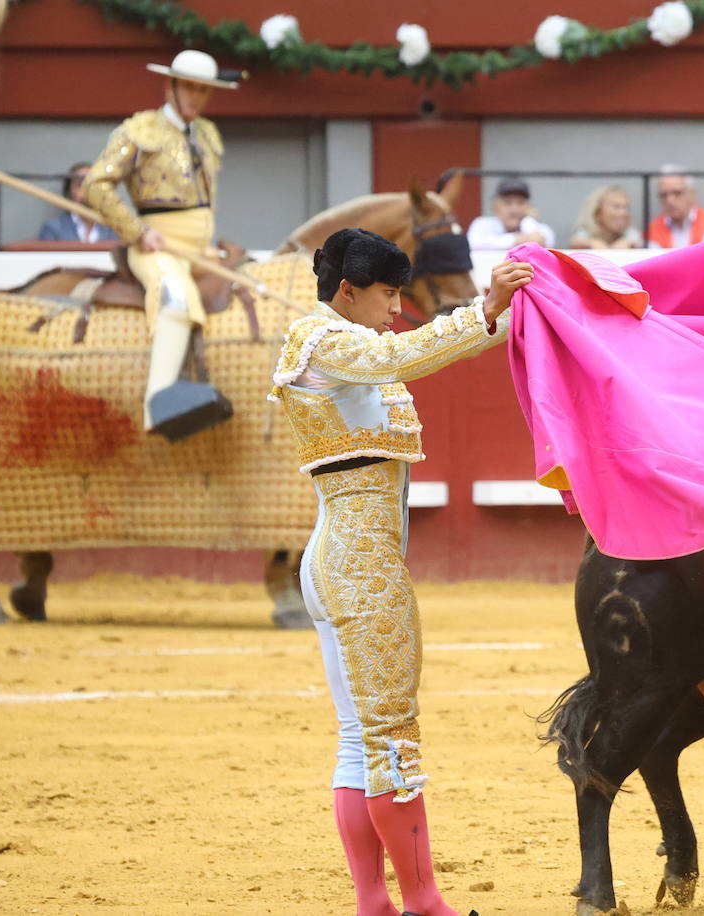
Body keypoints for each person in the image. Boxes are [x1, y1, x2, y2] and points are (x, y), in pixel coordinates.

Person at [270, 227, 533, 916]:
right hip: (360, 565)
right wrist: (483, 309)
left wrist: (512, 315)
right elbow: (402, 354)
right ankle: (425, 904)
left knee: (361, 741)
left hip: (348, 556)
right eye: (387, 293)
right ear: (347, 291)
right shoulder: (324, 339)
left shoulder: (341, 345)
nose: (396, 307)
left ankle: (376, 902)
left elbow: (408, 351)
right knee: (390, 736)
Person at [81, 49, 237, 437]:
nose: (196, 97)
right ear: (170, 85)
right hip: (157, 246)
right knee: (175, 298)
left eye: (204, 90)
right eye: (189, 87)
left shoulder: (206, 133)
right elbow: (96, 185)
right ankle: (159, 404)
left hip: (200, 249)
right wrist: (138, 232)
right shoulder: (141, 130)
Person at [646, 165, 704, 248]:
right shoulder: (651, 231)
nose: (669, 200)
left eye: (677, 193)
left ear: (692, 194)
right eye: (663, 195)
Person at [37, 162, 120, 242]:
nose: (88, 190)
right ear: (69, 192)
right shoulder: (53, 229)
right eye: (80, 185)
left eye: (93, 185)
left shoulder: (115, 229)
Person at [465, 177, 555, 249]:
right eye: (508, 203)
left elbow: (540, 241)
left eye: (521, 203)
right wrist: (515, 240)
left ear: (529, 207)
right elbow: (472, 243)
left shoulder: (542, 228)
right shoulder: (482, 224)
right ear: (496, 207)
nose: (514, 209)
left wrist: (528, 219)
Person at [567, 184, 641, 249]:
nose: (624, 213)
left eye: (626, 207)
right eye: (616, 207)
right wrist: (592, 243)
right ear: (598, 212)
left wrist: (628, 242)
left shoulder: (628, 231)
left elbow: (636, 240)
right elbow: (575, 241)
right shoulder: (588, 231)